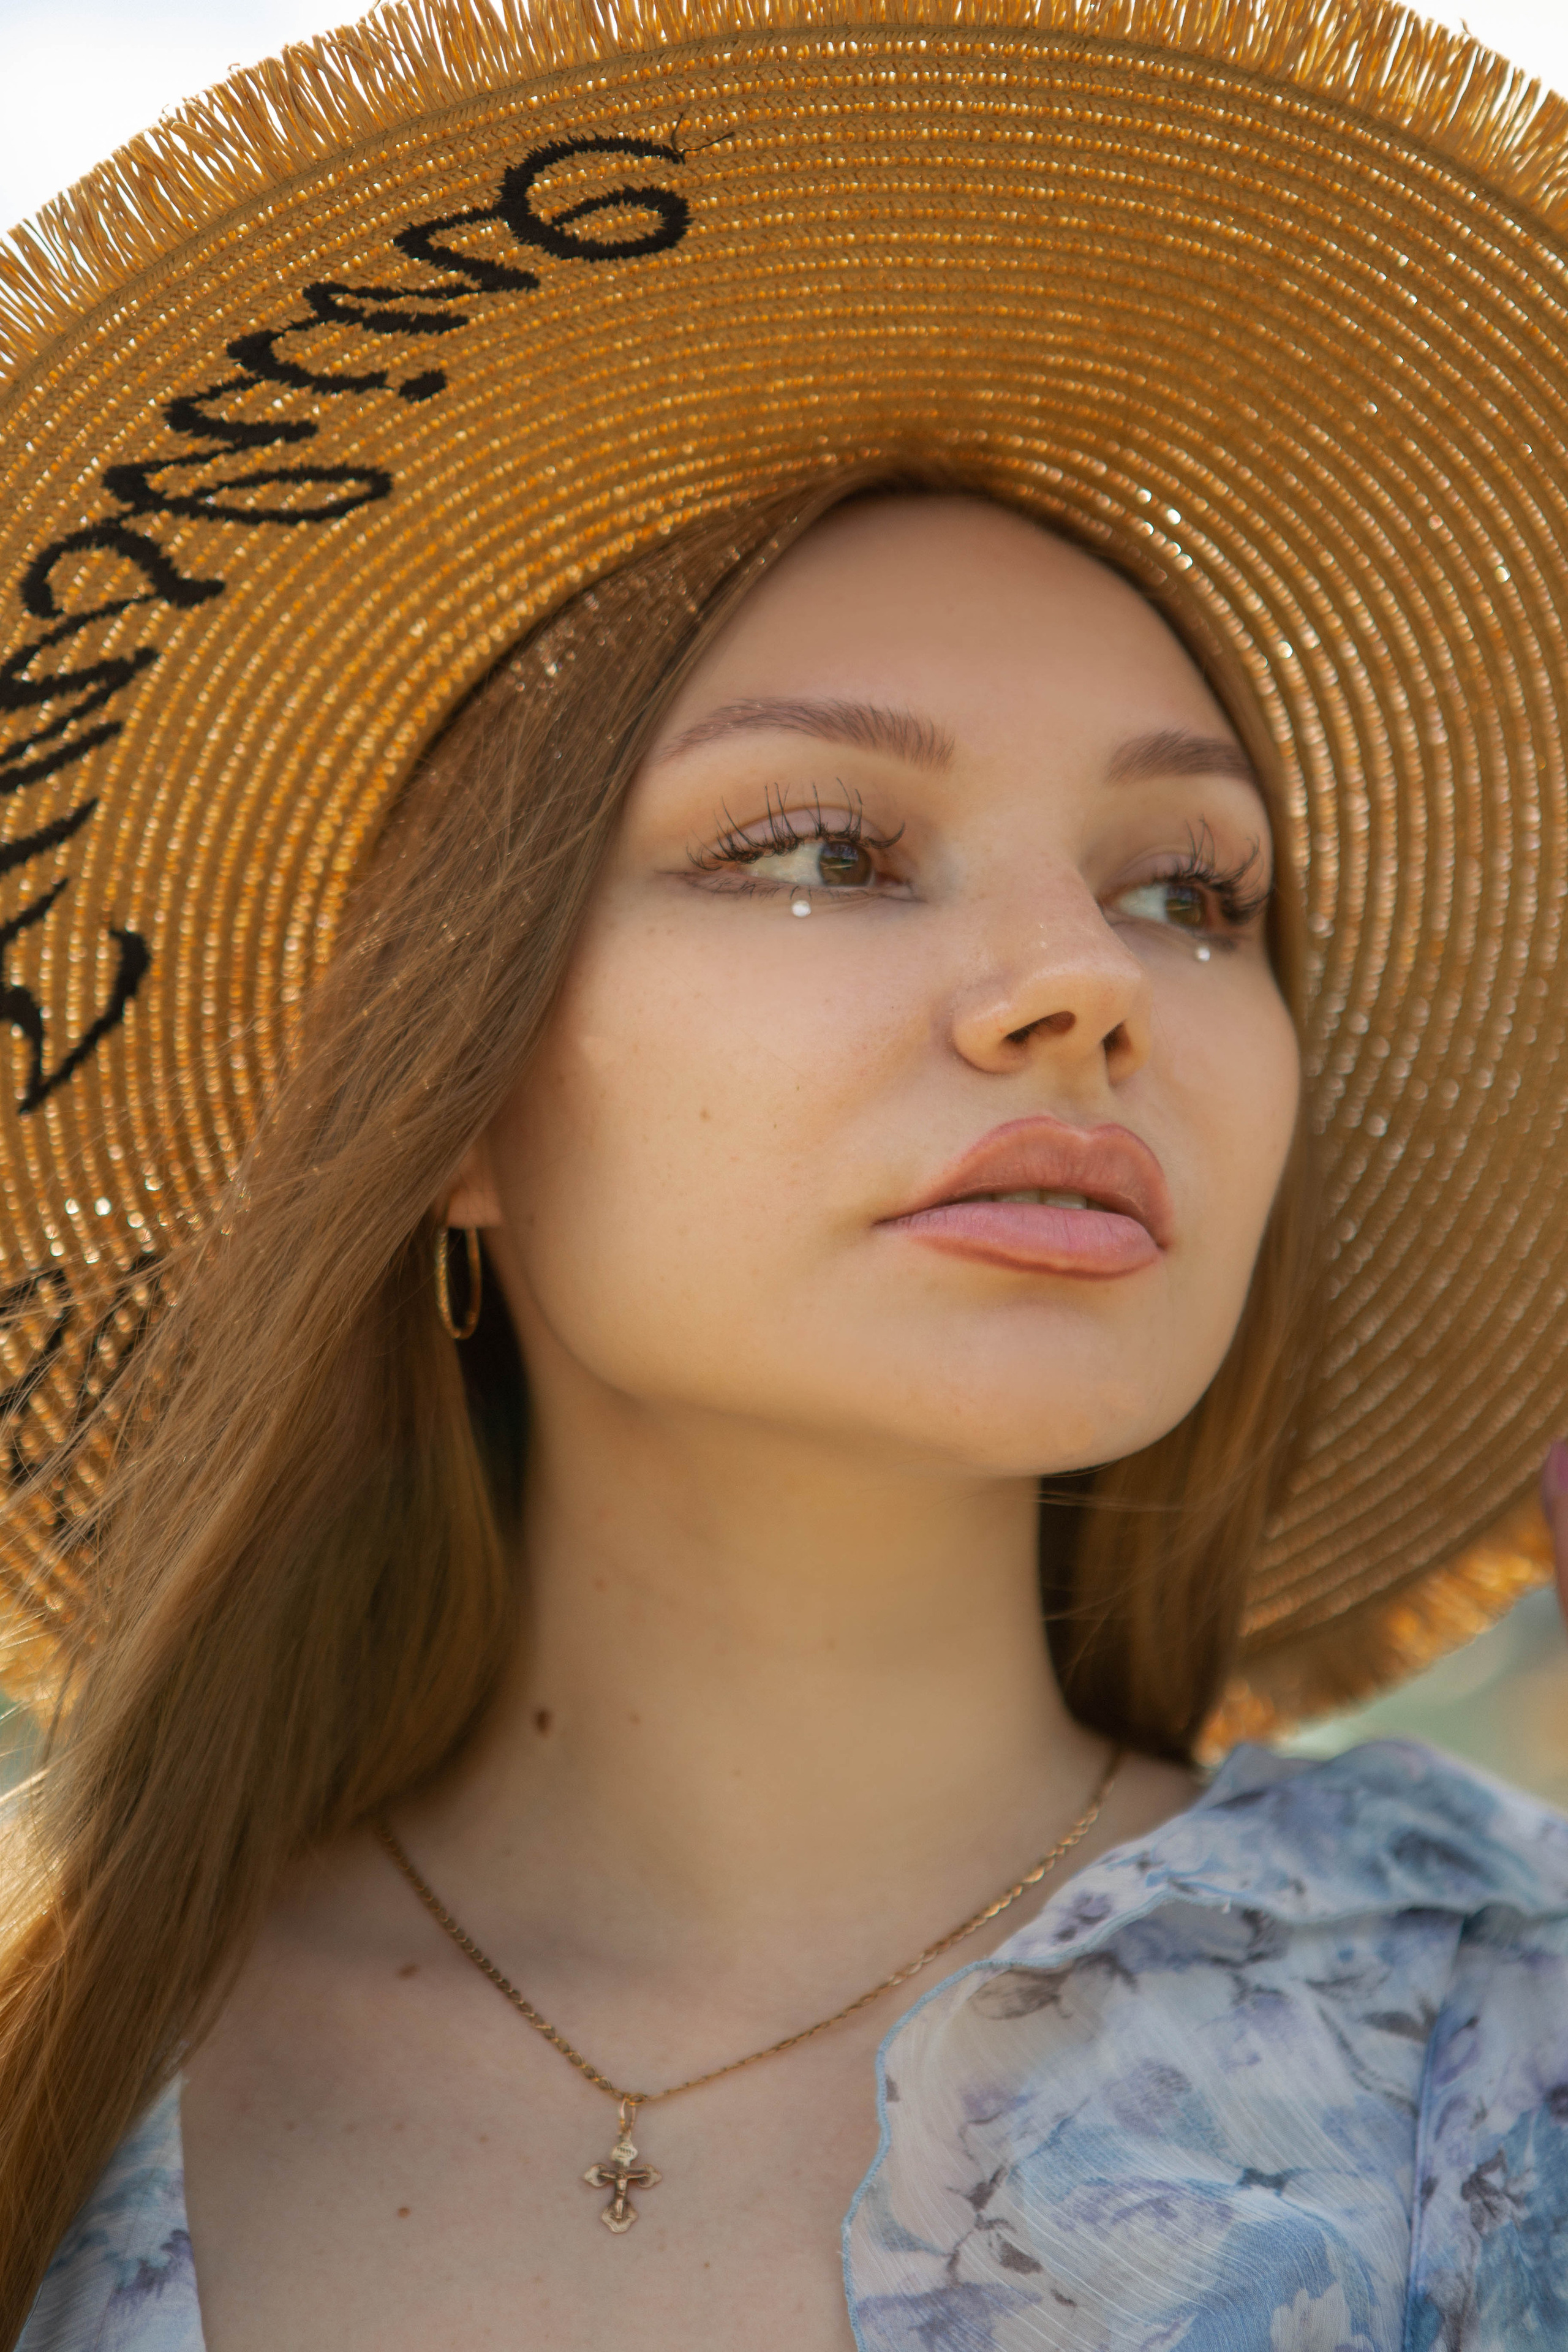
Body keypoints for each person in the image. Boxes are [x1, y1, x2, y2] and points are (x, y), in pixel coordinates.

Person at [3, 1, 1567, 2345]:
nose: (1086, 986)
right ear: (447, 1099)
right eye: (824, 845)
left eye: (1194, 893)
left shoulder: (1494, 2050)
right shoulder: (61, 2058)